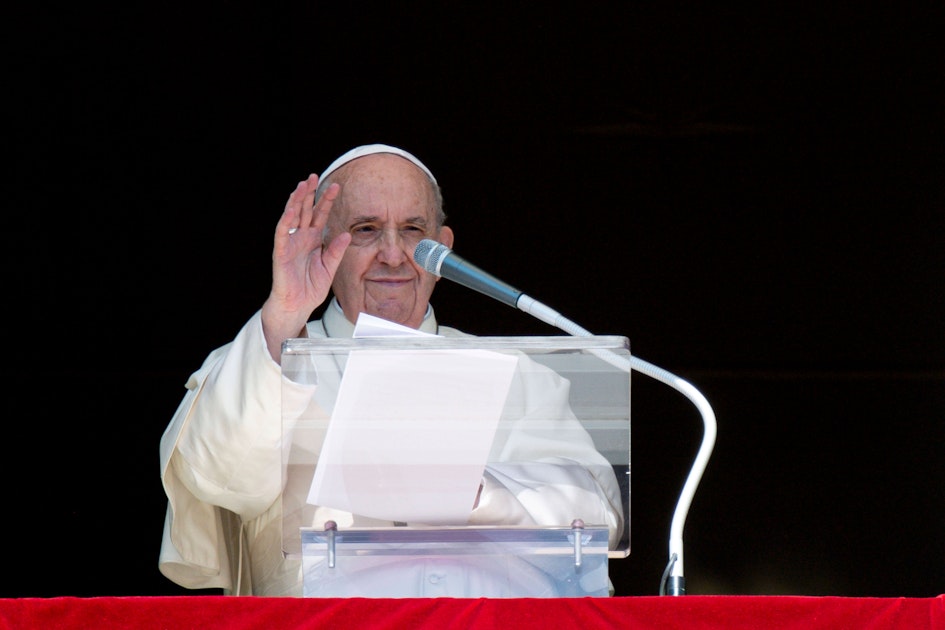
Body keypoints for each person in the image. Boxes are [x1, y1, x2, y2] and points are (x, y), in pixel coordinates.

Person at [159, 144, 624, 596]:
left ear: (441, 249)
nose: (394, 254)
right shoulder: (266, 359)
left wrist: (477, 493)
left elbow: (597, 518)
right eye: (364, 229)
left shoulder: (521, 375)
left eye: (412, 230)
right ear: (321, 244)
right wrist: (284, 314)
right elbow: (216, 476)